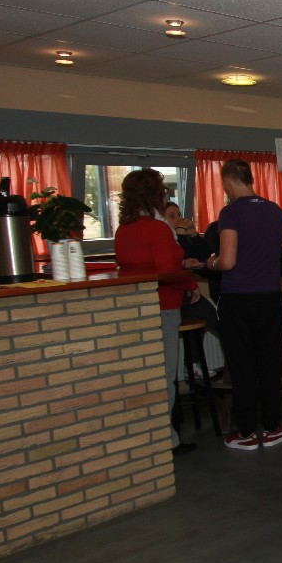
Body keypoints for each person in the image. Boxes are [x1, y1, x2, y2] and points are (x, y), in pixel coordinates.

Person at [205, 159, 282, 451]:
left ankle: (245, 433)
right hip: (270, 298)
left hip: (238, 299)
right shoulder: (273, 209)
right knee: (269, 362)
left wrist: (211, 262)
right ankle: (272, 428)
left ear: (228, 182)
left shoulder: (230, 212)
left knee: (242, 365)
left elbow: (228, 261)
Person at [114, 168, 202, 457]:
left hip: (135, 307)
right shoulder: (157, 228)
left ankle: (149, 437)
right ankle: (167, 441)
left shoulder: (123, 229)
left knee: (144, 375)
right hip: (163, 306)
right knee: (165, 378)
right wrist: (190, 283)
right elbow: (167, 272)